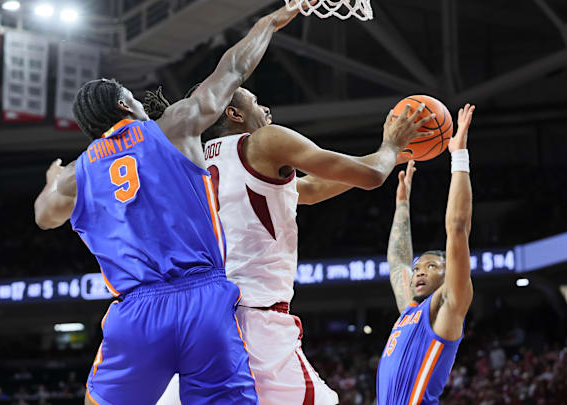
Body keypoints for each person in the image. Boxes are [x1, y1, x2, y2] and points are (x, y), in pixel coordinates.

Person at [33, 3, 312, 404]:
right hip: (205, 301)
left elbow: (43, 217)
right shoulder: (173, 127)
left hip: (137, 311)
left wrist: (51, 181)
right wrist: (269, 21)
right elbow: (233, 70)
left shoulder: (76, 175)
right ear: (126, 106)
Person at [143, 85, 434, 404]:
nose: (265, 109)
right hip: (254, 319)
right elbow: (371, 176)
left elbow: (307, 190)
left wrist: (389, 158)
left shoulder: (193, 163)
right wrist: (391, 145)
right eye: (255, 102)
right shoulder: (265, 141)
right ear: (234, 113)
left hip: (198, 322)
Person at [376, 104, 475, 405]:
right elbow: (397, 262)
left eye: (431, 266)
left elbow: (457, 228)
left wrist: (458, 155)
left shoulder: (449, 304)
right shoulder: (410, 310)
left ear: (449, 276)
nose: (419, 271)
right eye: (419, 266)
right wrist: (402, 206)